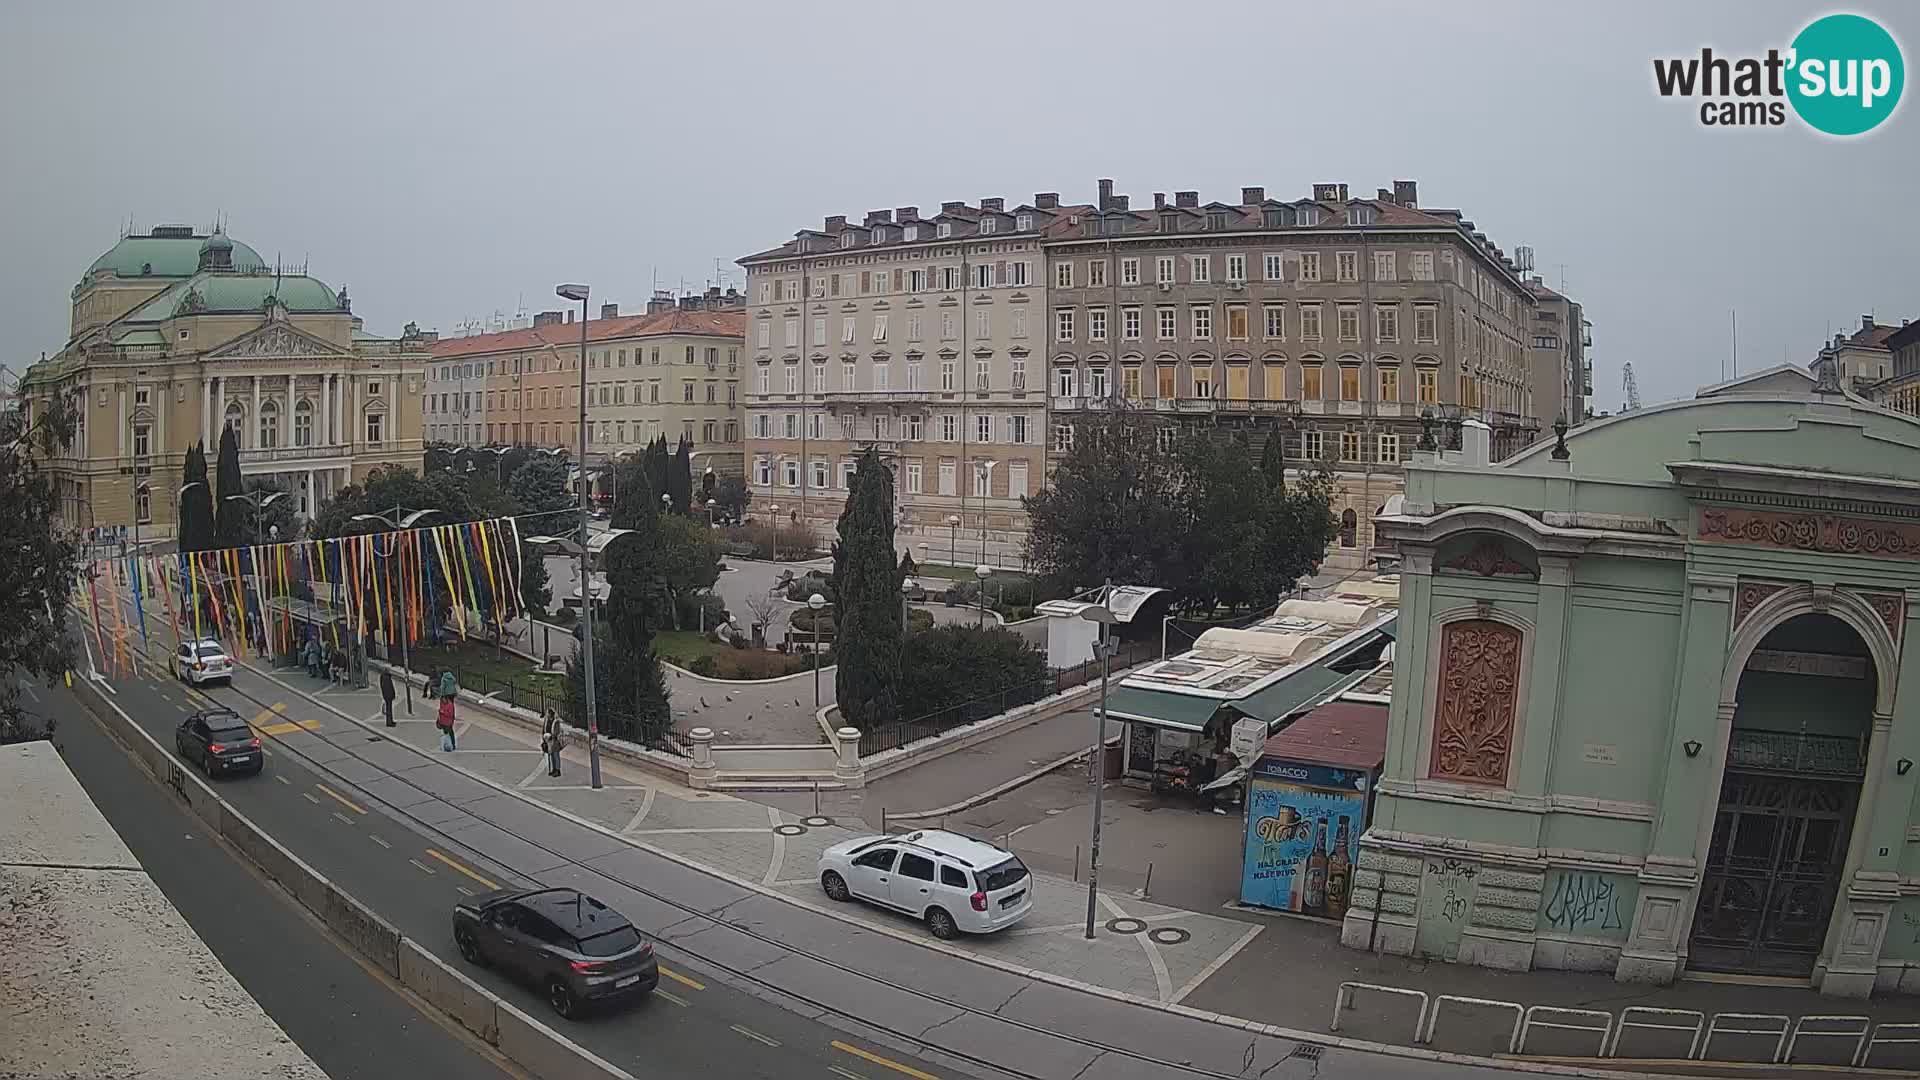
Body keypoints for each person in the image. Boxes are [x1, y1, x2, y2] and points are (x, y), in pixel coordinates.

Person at [541, 709, 565, 777]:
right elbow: (543, 729)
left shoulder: (556, 721)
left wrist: (552, 736)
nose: (546, 714)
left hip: (554, 741)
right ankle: (553, 769)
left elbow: (557, 731)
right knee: (551, 755)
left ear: (551, 714)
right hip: (548, 740)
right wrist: (544, 737)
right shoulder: (546, 720)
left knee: (555, 755)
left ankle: (557, 770)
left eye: (548, 713)